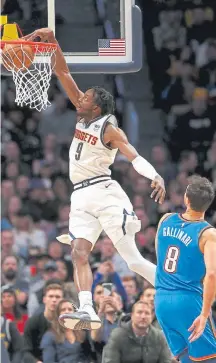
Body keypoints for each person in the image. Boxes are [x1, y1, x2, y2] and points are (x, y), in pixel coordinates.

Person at [23, 27, 166, 330]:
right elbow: (62, 71)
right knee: (78, 253)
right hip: (81, 196)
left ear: (96, 106)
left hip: (105, 191)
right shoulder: (83, 115)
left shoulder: (109, 128)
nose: (80, 97)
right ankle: (87, 308)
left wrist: (155, 176)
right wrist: (51, 41)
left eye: (85, 97)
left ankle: (172, 285)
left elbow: (133, 154)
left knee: (132, 261)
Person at [155, 176, 216, 362]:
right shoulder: (208, 233)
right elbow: (212, 275)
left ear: (186, 199)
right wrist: (205, 315)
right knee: (209, 358)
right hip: (188, 301)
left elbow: (160, 256)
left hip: (161, 300)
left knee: (185, 358)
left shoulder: (165, 220)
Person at [102, 300, 173, 363]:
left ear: (151, 317)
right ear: (132, 315)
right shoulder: (117, 335)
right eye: (139, 312)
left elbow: (166, 360)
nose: (143, 316)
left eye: (147, 313)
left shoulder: (159, 337)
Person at [41, 299, 93, 363]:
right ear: (58, 314)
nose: (67, 312)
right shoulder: (50, 336)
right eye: (63, 310)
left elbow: (89, 356)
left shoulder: (83, 334)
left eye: (70, 309)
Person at [23, 283, 64, 363]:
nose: (54, 300)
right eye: (51, 296)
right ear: (44, 299)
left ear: (62, 300)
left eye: (57, 297)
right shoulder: (33, 322)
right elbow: (26, 352)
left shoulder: (67, 322)